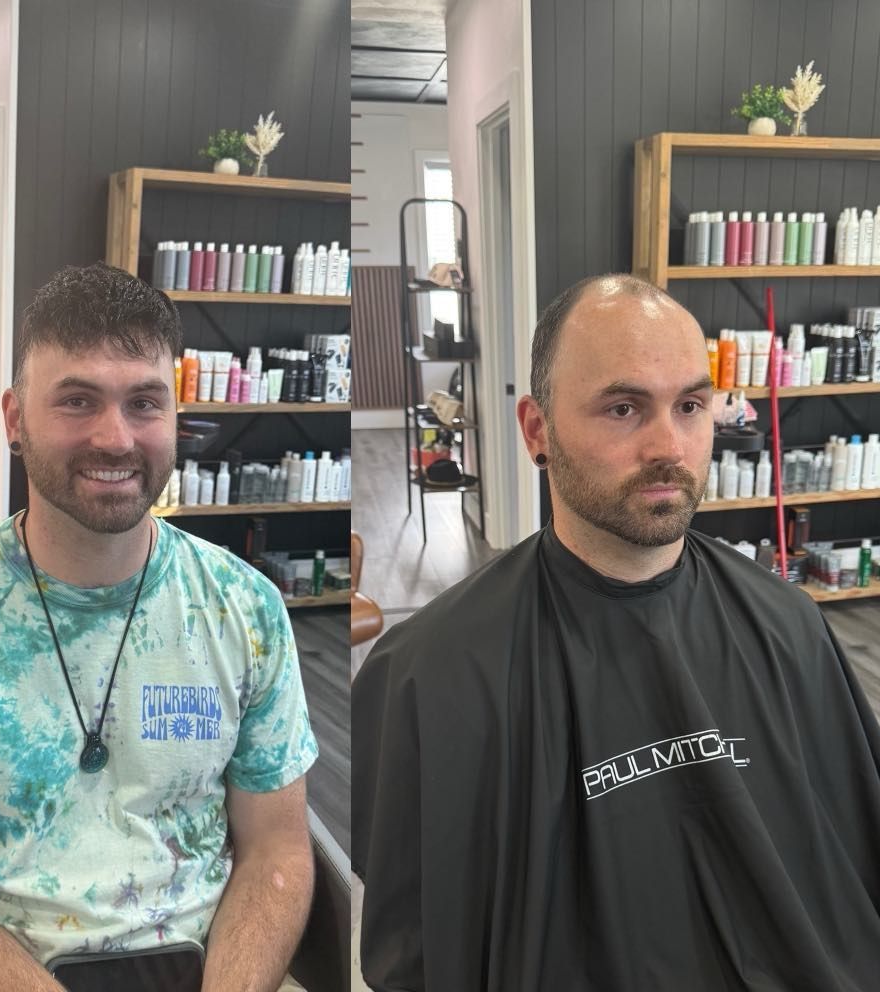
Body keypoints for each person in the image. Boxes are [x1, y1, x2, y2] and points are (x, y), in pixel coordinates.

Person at [351, 274, 880, 991]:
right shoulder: (425, 674)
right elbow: (410, 954)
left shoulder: (791, 627)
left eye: (691, 405)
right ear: (537, 430)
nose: (669, 446)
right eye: (625, 408)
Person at [0, 263, 319, 991]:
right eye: (77, 401)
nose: (116, 438)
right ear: (15, 418)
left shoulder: (245, 609)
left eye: (144, 402)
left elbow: (277, 853)